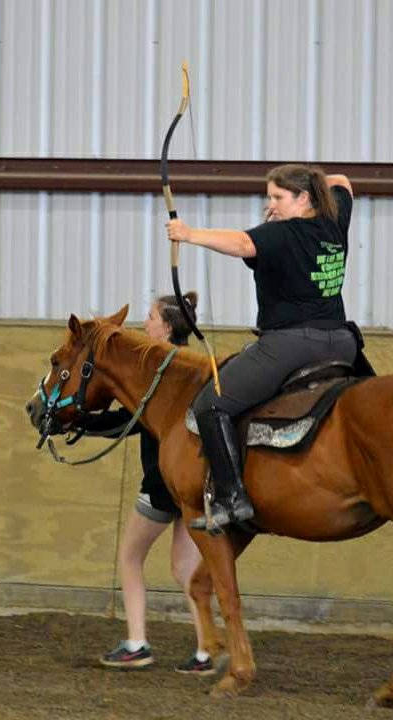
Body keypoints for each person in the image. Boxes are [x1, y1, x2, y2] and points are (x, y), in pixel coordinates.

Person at [166, 164, 358, 532]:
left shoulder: (283, 233)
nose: (271, 204)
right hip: (342, 343)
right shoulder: (334, 221)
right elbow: (342, 182)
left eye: (278, 197)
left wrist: (189, 234)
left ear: (304, 198)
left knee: (210, 404)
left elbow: (242, 243)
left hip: (293, 345)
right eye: (269, 197)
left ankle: (231, 497)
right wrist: (316, 189)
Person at [88, 292, 216, 674]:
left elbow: (125, 422)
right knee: (185, 569)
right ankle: (206, 650)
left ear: (168, 327)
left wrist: (80, 424)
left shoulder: (161, 373)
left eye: (151, 317)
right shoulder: (193, 369)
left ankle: (136, 643)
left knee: (130, 557)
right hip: (190, 487)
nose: (145, 323)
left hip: (161, 486)